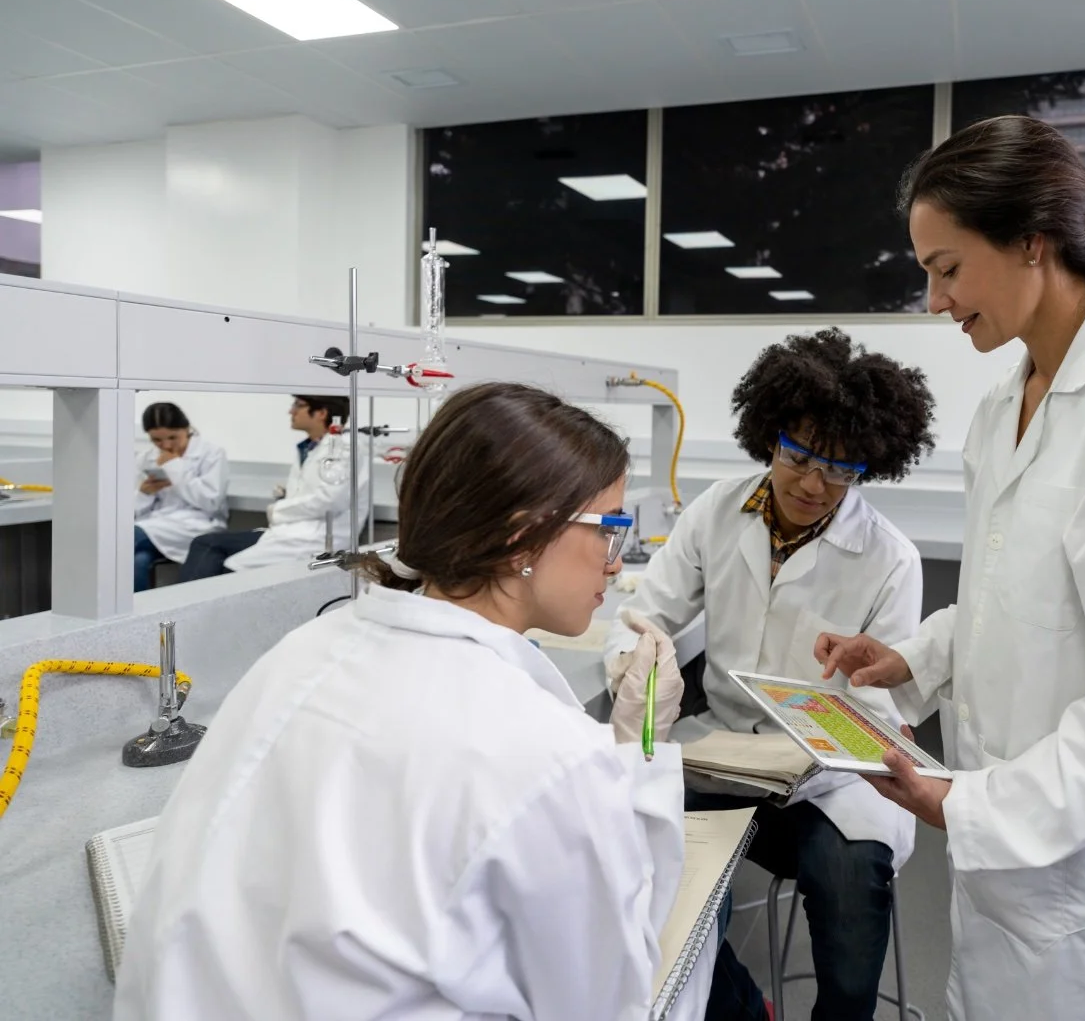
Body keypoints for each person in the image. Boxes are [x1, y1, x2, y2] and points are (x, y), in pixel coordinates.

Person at [816, 115, 1085, 1021]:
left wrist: (963, 805)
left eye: (947, 269)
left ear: (1031, 242)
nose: (935, 301)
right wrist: (914, 657)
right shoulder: (1003, 406)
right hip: (1012, 876)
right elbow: (1014, 597)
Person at [115, 382, 691, 1021]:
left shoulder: (302, 652)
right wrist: (641, 746)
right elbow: (605, 995)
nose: (615, 564)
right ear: (524, 538)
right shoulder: (547, 753)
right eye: (610, 530)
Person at [605, 329, 937, 1021]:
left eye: (841, 470)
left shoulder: (891, 559)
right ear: (770, 435)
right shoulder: (715, 512)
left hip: (829, 783)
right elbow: (648, 613)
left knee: (850, 893)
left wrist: (845, 726)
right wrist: (634, 662)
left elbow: (887, 701)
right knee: (656, 871)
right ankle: (737, 1009)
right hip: (721, 753)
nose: (815, 485)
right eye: (800, 456)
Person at [179, 395, 368, 580]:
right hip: (290, 532)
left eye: (298, 405)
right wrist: (288, 496)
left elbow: (329, 501)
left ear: (321, 413)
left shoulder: (342, 448)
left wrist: (278, 509)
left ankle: (192, 601)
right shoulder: (312, 447)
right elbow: (322, 490)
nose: (291, 411)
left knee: (229, 569)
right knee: (206, 543)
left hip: (313, 539)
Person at [133, 403, 229, 592]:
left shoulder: (212, 454)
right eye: (157, 440)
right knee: (137, 561)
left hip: (197, 526)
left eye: (172, 437)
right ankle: (137, 611)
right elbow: (135, 511)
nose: (166, 445)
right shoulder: (146, 458)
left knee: (124, 538)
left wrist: (175, 467)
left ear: (186, 429)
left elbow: (211, 502)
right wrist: (144, 493)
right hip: (155, 525)